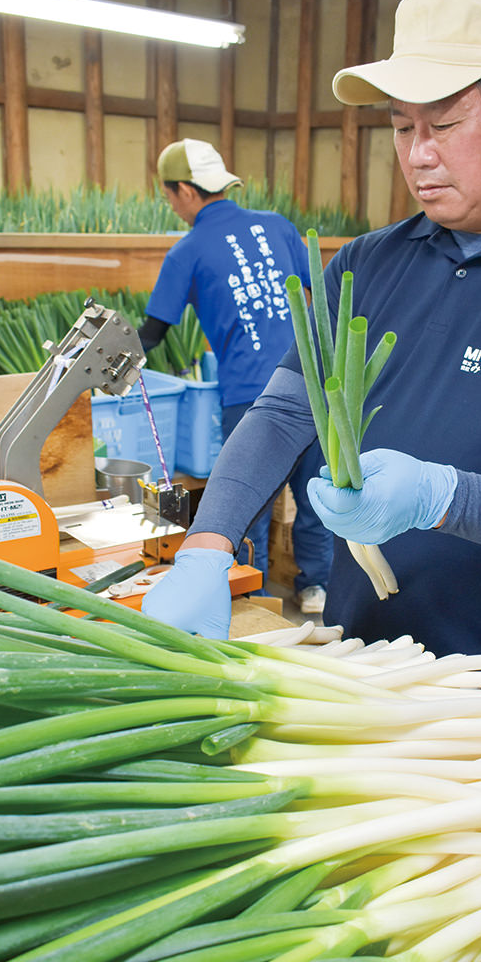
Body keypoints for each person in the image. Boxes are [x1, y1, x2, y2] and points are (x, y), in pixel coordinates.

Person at [142, 0, 481, 696]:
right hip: (351, 655)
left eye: (445, 124)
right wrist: (207, 547)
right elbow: (283, 412)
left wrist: (442, 496)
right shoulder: (369, 262)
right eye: (403, 128)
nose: (418, 155)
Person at [138, 138, 332, 612]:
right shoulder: (278, 226)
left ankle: (257, 598)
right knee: (318, 498)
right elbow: (316, 298)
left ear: (185, 190)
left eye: (169, 196)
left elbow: (152, 333)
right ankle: (315, 589)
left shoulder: (187, 250)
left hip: (250, 394)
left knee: (250, 504)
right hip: (313, 382)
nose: (173, 206)